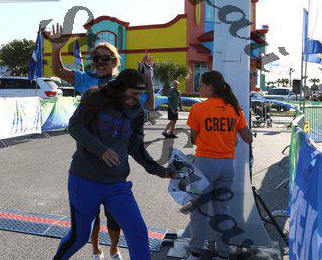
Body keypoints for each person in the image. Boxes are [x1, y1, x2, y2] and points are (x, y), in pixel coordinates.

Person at [45, 23, 155, 259]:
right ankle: (96, 249)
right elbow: (59, 71)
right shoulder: (87, 79)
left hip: (116, 166)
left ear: (115, 61)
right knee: (88, 222)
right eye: (96, 58)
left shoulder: (126, 83)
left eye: (105, 58)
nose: (100, 62)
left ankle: (114, 249)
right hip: (89, 163)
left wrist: (148, 78)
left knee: (117, 219)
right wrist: (56, 50)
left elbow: (148, 104)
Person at [52, 69, 174, 260]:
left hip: (117, 185)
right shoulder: (95, 99)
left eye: (141, 94)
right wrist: (100, 149)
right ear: (120, 88)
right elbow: (75, 126)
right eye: (134, 94)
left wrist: (161, 171)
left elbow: (136, 148)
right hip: (85, 180)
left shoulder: (137, 113)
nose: (138, 99)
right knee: (79, 237)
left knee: (138, 232)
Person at [184, 71, 253, 260]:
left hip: (205, 164)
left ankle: (195, 253)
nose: (198, 88)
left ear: (211, 87)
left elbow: (193, 139)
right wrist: (229, 136)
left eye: (200, 84)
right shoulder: (235, 108)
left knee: (199, 210)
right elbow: (248, 138)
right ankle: (224, 254)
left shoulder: (199, 108)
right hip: (228, 165)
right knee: (222, 211)